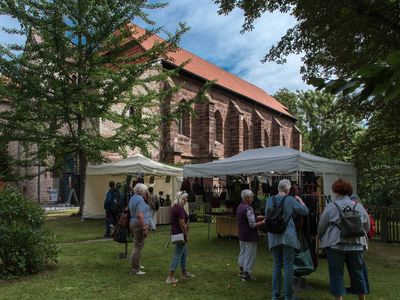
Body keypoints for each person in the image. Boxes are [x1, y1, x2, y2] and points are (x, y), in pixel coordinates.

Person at [318, 179, 370, 300]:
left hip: (336, 245)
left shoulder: (331, 206)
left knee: (336, 274)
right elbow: (366, 227)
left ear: (336, 192)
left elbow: (322, 226)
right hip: (357, 245)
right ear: (349, 192)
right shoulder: (359, 206)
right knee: (358, 273)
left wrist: (322, 239)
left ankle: (339, 298)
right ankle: (361, 298)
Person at [266, 179, 309, 300]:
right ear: (288, 189)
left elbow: (267, 216)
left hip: (273, 236)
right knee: (289, 266)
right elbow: (305, 211)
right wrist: (300, 201)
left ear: (278, 188)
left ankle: (275, 295)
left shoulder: (270, 200)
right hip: (288, 236)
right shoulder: (290, 200)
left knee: (276, 265)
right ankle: (288, 296)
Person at [165, 191, 194, 284]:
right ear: (182, 199)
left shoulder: (176, 207)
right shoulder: (180, 209)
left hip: (177, 233)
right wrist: (186, 234)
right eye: (186, 197)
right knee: (177, 255)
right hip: (180, 234)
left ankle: (184, 272)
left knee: (184, 253)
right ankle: (170, 276)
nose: (187, 199)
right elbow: (182, 223)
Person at [236, 189, 265, 281]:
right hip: (250, 235)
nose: (252, 198)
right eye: (251, 197)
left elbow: (251, 218)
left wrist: (263, 216)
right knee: (249, 254)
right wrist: (263, 222)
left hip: (242, 234)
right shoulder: (248, 208)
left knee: (243, 252)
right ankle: (246, 274)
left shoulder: (240, 206)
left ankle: (241, 271)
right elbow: (252, 224)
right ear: (247, 198)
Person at [129, 183, 150, 275]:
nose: (146, 192)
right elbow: (140, 215)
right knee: (138, 247)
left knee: (137, 245)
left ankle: (137, 264)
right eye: (145, 191)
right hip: (138, 224)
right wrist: (144, 228)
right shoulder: (140, 200)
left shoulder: (133, 198)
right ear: (142, 191)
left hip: (133, 223)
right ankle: (135, 269)